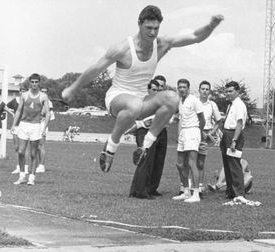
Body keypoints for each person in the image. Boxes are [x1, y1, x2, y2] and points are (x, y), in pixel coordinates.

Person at [61, 5, 224, 173]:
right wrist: (73, 89)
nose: (152, 33)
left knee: (173, 98)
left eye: (156, 28)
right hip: (118, 97)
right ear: (139, 24)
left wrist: (211, 26)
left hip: (142, 99)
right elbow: (96, 69)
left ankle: (145, 146)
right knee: (134, 105)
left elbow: (195, 36)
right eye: (148, 28)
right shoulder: (122, 48)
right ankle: (111, 146)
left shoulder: (161, 44)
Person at [128, 79, 167, 198]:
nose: (157, 91)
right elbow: (136, 117)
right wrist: (145, 123)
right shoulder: (142, 101)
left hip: (160, 130)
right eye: (154, 89)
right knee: (145, 161)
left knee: (157, 162)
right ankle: (139, 190)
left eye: (160, 89)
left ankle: (151, 188)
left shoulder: (161, 101)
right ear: (148, 90)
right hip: (145, 132)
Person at [11, 73, 50, 185]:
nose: (34, 84)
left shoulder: (43, 96)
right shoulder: (24, 95)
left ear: (39, 83)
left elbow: (47, 113)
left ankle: (31, 177)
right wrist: (14, 125)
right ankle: (22, 175)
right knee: (21, 151)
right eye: (32, 82)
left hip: (36, 126)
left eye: (36, 82)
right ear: (29, 82)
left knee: (33, 153)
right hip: (23, 125)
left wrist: (44, 127)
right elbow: (18, 110)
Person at [172, 79, 205, 203]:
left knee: (192, 163)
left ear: (188, 88)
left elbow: (202, 119)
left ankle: (195, 193)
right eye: (179, 87)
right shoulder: (180, 101)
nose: (181, 89)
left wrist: (198, 132)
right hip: (183, 132)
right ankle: (186, 191)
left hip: (193, 131)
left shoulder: (194, 100)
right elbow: (178, 118)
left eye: (184, 87)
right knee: (179, 164)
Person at [220, 81, 248, 203]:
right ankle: (230, 191)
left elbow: (239, 123)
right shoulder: (230, 105)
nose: (228, 94)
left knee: (234, 165)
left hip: (234, 135)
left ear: (237, 92)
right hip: (226, 133)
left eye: (231, 91)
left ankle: (239, 193)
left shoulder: (239, 105)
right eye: (226, 91)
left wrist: (234, 140)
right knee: (227, 164)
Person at [196, 80, 222, 194]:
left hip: (205, 134)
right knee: (190, 160)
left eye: (207, 89)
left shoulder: (212, 104)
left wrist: (211, 133)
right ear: (199, 90)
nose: (204, 91)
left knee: (200, 162)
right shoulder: (194, 102)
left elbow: (218, 121)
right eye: (203, 89)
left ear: (209, 91)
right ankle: (188, 186)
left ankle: (200, 187)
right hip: (193, 132)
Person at [8, 86, 30, 174]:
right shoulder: (14, 100)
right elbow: (5, 107)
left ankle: (26, 167)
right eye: (21, 91)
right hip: (16, 126)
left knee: (25, 148)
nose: (22, 92)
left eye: (24, 91)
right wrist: (12, 113)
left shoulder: (28, 101)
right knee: (17, 147)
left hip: (25, 125)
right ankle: (18, 167)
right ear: (19, 91)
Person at [36, 87, 55, 173]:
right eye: (42, 91)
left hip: (42, 125)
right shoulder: (37, 99)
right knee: (35, 146)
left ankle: (42, 165)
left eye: (45, 92)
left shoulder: (49, 103)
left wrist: (44, 127)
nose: (44, 93)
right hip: (35, 124)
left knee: (41, 145)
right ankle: (38, 164)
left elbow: (49, 116)